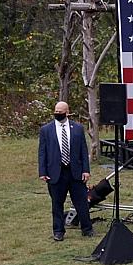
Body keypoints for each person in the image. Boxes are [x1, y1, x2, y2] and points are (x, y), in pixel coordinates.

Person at [38, 100, 94, 242]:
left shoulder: (77, 128)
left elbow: (83, 150)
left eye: (60, 112)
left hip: (75, 171)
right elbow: (42, 152)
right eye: (56, 112)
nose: (57, 114)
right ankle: (58, 231)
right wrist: (42, 171)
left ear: (67, 112)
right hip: (56, 173)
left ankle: (87, 229)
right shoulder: (46, 130)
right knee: (57, 203)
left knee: (81, 202)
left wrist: (86, 170)